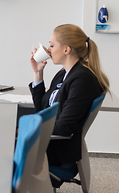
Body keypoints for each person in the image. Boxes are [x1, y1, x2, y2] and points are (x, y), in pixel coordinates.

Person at [29, 24, 109, 170]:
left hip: (57, 149)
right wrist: (37, 73)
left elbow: (64, 127)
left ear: (67, 49)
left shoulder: (82, 80)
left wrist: (28, 129)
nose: (48, 50)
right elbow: (42, 109)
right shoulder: (64, 73)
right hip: (49, 141)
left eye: (52, 45)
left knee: (4, 144)